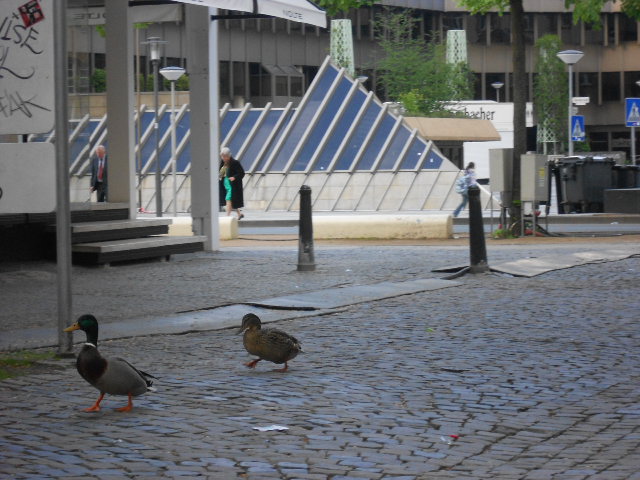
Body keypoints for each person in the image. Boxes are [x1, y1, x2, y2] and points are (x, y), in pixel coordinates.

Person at [219, 147, 245, 219]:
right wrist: (220, 175)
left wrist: (234, 177)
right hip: (225, 184)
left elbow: (241, 173)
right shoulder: (222, 162)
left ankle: (227, 216)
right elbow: (221, 172)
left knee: (228, 199)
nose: (224, 158)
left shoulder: (235, 163)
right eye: (222, 156)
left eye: (225, 156)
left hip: (233, 185)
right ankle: (239, 214)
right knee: (231, 201)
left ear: (229, 156)